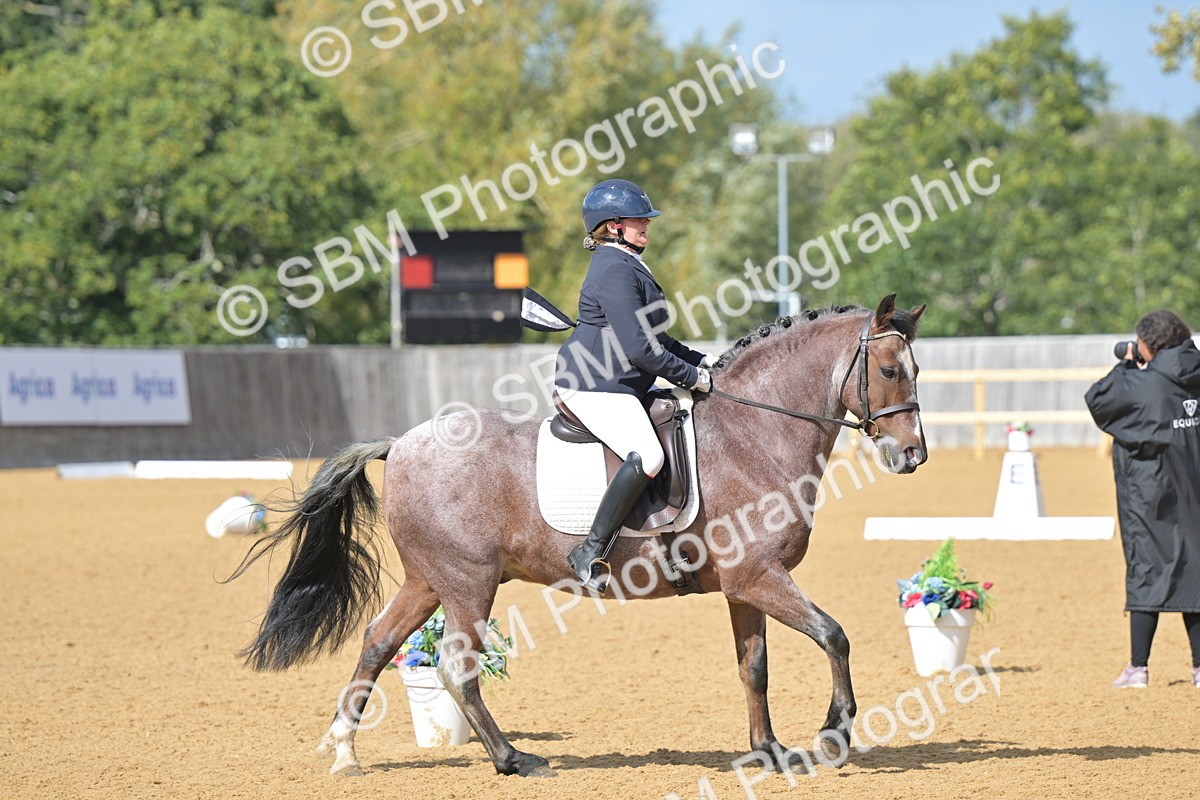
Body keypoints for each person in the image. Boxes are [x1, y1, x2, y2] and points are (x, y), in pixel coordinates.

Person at [555, 178, 713, 592]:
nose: (647, 224)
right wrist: (692, 378)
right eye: (638, 219)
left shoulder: (626, 263)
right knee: (649, 454)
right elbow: (642, 350)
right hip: (594, 384)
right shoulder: (613, 269)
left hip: (620, 382)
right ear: (613, 226)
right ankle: (589, 551)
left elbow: (658, 340)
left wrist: (705, 361)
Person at [1085, 310, 1200, 689]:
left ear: (1150, 344)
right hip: (1195, 491)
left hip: (1150, 494)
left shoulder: (1142, 385)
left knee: (1147, 569)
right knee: (1195, 571)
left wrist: (1127, 363)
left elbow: (1098, 399)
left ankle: (1138, 668)